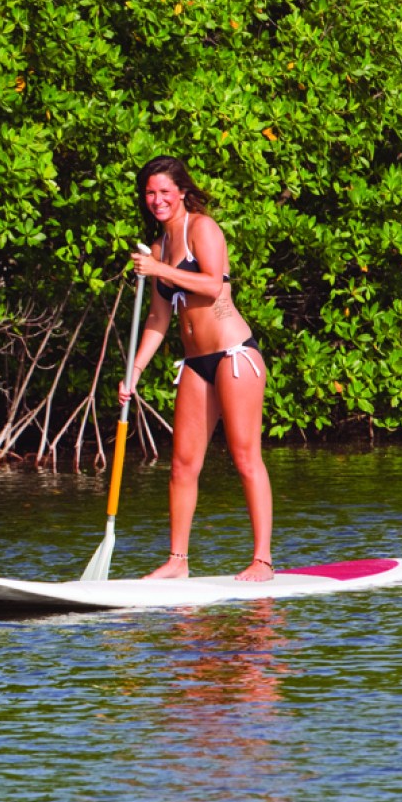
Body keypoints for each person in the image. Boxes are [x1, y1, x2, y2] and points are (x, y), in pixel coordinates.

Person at [118, 155, 274, 582]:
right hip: (195, 362)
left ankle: (262, 561)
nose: (157, 200)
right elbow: (157, 319)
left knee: (245, 458)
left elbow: (214, 282)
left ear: (182, 192)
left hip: (234, 354)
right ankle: (178, 562)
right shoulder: (158, 247)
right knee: (183, 465)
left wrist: (159, 269)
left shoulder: (200, 228)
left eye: (165, 192)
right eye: (150, 192)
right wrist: (133, 371)